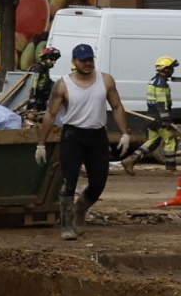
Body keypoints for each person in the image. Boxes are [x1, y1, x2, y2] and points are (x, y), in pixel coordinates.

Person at [39, 42, 133, 239]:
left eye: (90, 59)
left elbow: (116, 107)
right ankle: (66, 225)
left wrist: (125, 133)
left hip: (97, 136)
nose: (87, 63)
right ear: (74, 61)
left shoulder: (105, 80)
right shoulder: (63, 84)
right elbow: (50, 114)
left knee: (98, 182)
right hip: (73, 136)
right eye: (83, 60)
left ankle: (79, 209)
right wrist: (41, 144)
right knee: (69, 182)